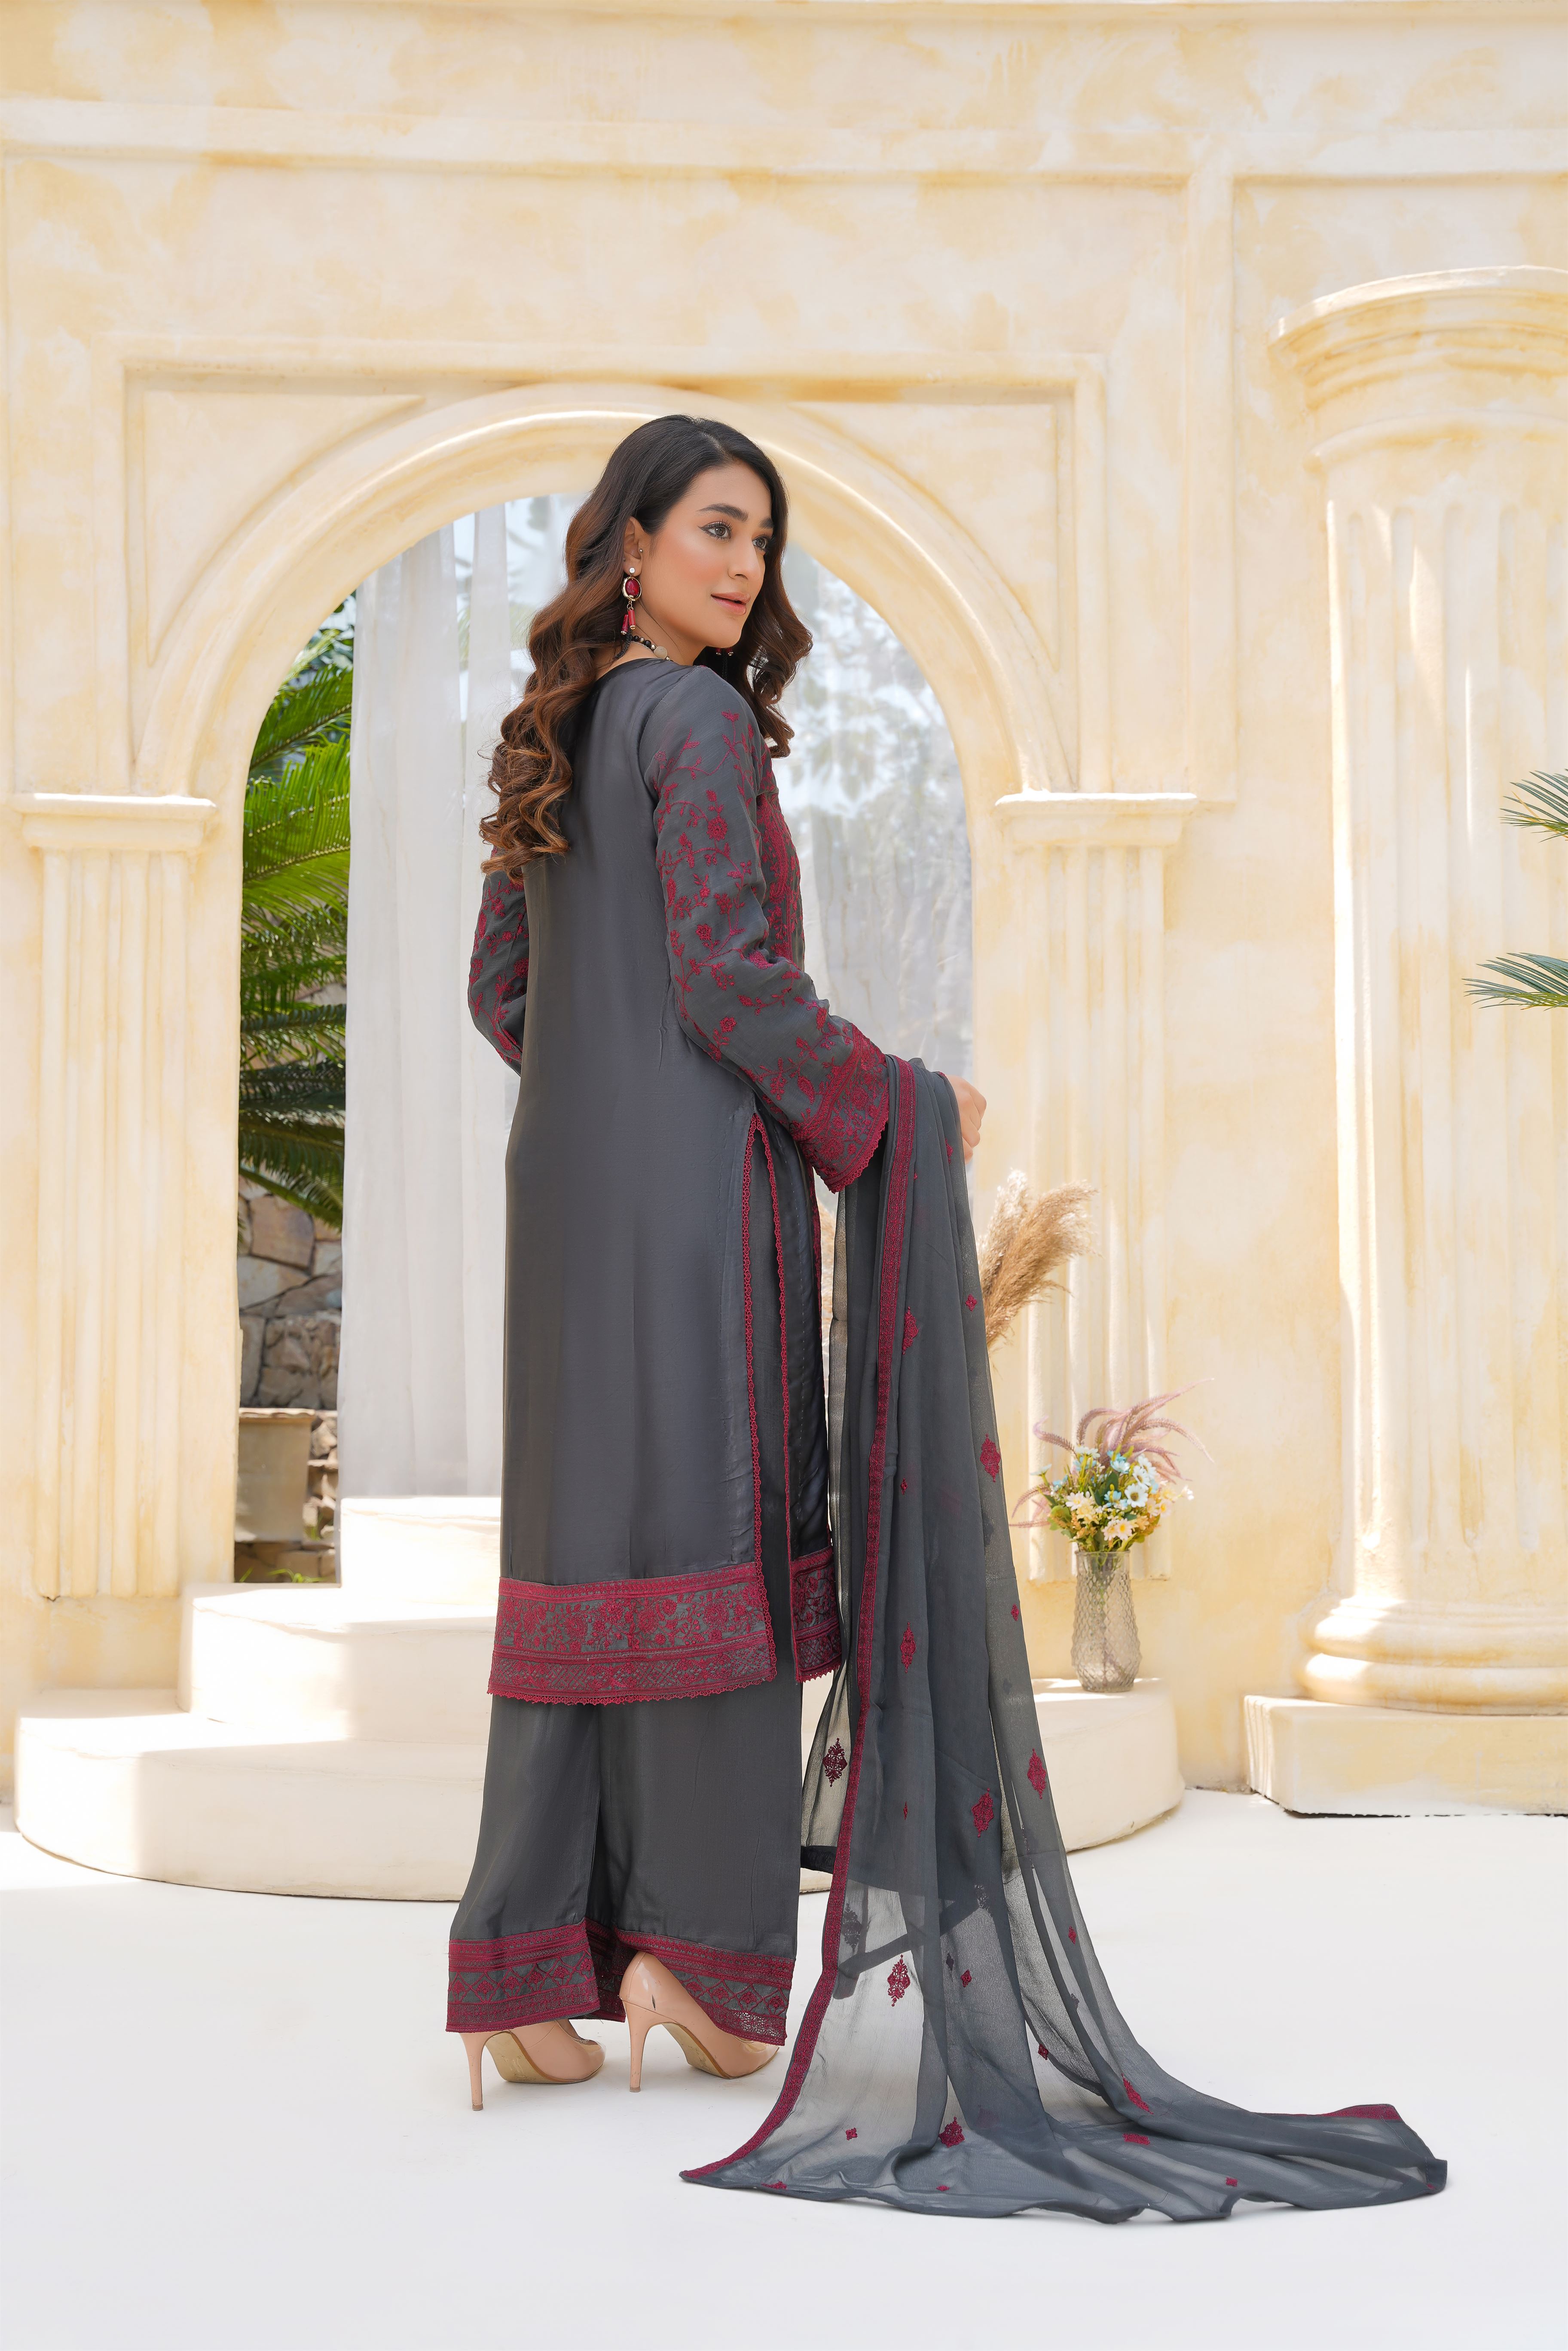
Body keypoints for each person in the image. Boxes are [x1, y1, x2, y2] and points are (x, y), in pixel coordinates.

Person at [448, 413, 984, 2108]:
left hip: (566, 1203)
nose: (746, 564)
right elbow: (730, 980)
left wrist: (604, 1095)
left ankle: (526, 1984)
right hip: (692, 1203)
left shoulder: (558, 724)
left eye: (763, 538)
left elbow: (504, 993)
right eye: (715, 529)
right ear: (632, 543)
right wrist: (897, 1101)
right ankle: (692, 1957)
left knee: (583, 1567)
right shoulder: (698, 718)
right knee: (714, 1549)